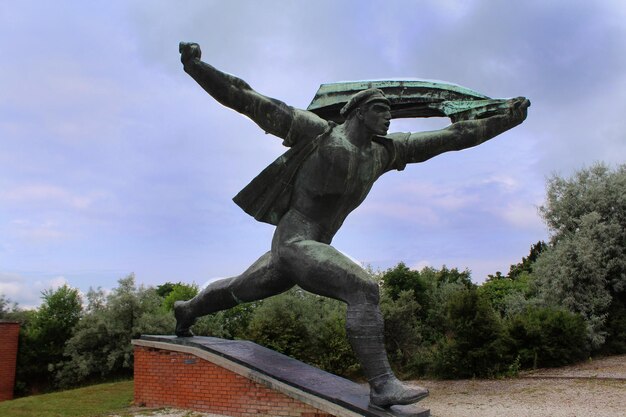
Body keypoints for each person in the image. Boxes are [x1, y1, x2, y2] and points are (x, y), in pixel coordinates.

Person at [175, 42, 530, 409]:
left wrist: (505, 119)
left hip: (305, 251)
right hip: (294, 242)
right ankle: (382, 385)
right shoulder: (318, 133)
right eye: (380, 110)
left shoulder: (383, 153)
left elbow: (451, 138)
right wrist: (196, 67)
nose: (388, 118)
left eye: (390, 112)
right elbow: (245, 97)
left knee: (236, 290)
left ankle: (187, 310)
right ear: (359, 112)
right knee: (363, 290)